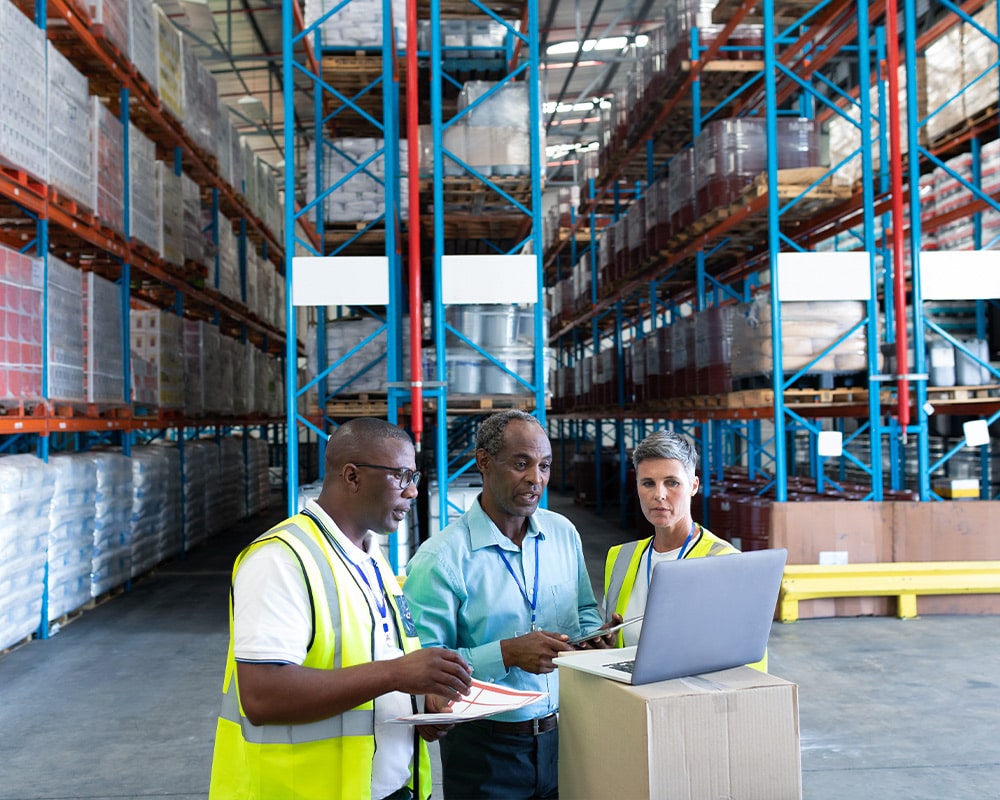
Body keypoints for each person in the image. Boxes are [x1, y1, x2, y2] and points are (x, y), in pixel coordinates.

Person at [209, 417, 473, 800]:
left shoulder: (371, 560)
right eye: (401, 476)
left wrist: (420, 703)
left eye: (414, 476)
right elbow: (262, 696)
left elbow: (366, 664)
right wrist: (396, 675)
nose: (413, 492)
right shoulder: (282, 560)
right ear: (352, 476)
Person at [402, 409, 617, 800]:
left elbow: (584, 608)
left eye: (545, 466)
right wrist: (505, 655)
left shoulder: (562, 534)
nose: (536, 479)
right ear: (484, 461)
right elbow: (423, 671)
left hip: (566, 736)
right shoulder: (441, 559)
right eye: (522, 464)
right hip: (485, 750)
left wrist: (593, 638)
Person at [603, 428, 766, 670]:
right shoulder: (620, 558)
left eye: (672, 483)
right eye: (648, 483)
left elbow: (748, 664)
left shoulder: (726, 562)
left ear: (693, 485)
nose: (659, 495)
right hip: (634, 698)